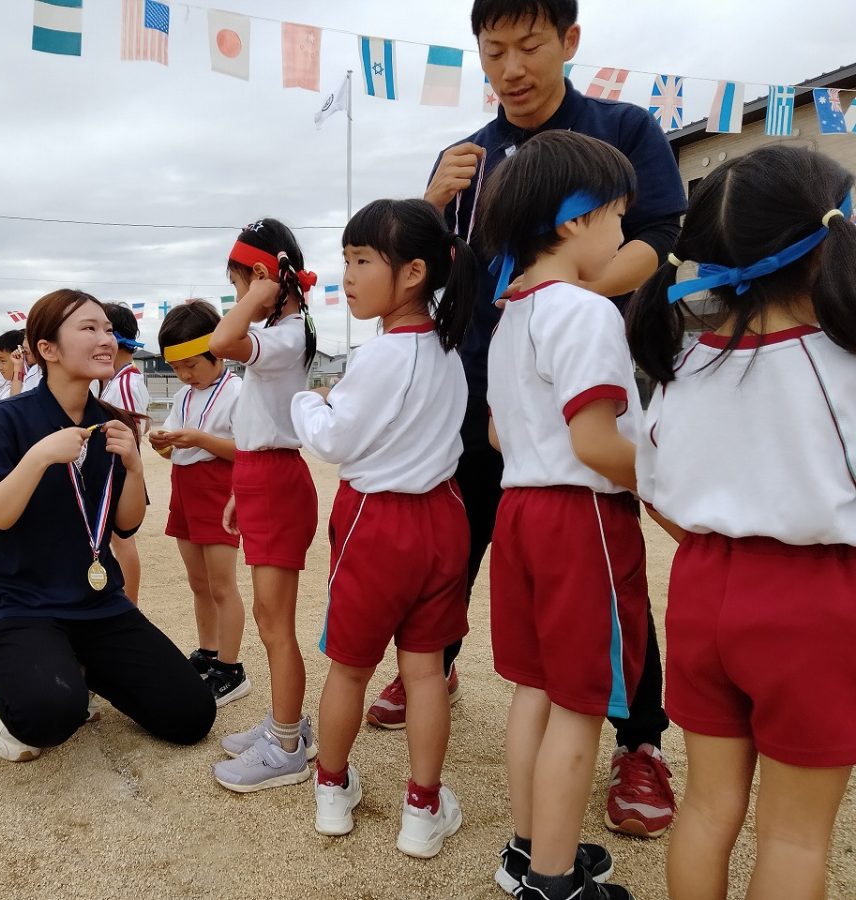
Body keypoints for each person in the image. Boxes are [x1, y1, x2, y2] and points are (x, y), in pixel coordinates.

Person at [366, 0, 686, 842]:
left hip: (578, 374)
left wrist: (574, 296)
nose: (510, 67)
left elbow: (659, 232)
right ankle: (432, 666)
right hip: (488, 386)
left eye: (529, 45)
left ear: (569, 41)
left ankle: (640, 739)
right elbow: (431, 275)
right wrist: (429, 205)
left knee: (608, 576)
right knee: (459, 541)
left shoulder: (620, 131)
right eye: (493, 49)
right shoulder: (466, 158)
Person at [627, 146, 856, 900]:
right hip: (814, 603)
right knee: (793, 836)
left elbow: (656, 488)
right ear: (826, 243)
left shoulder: (684, 366)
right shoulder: (843, 366)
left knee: (706, 807)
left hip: (704, 588)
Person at [464, 131, 644, 900]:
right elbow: (595, 441)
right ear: (575, 220)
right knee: (579, 700)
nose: (624, 237)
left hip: (521, 511)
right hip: (580, 519)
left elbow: (499, 433)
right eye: (618, 218)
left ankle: (530, 847)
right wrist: (668, 477)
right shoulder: (585, 311)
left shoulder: (514, 316)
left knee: (536, 689)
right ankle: (553, 881)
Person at [291, 199, 476, 856]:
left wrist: (306, 401)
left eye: (362, 260)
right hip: (443, 516)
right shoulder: (449, 351)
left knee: (350, 669)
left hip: (377, 522)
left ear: (413, 273)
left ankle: (332, 790)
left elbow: (334, 441)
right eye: (346, 259)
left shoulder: (380, 356)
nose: (348, 275)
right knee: (425, 672)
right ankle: (422, 810)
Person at [0, 288, 215, 761]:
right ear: (48, 349)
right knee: (51, 714)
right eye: (89, 328)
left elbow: (126, 525)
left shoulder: (112, 423)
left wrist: (134, 468)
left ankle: (81, 669)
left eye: (108, 329)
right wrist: (38, 458)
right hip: (22, 607)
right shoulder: (5, 419)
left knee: (191, 715)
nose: (106, 339)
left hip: (99, 606)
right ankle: (30, 697)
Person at [208, 219, 320, 792]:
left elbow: (220, 342)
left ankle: (287, 744)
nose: (238, 300)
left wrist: (256, 292)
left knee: (275, 622)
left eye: (238, 284)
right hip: (261, 476)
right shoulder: (281, 331)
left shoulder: (286, 334)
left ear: (259, 276)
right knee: (268, 617)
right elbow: (260, 420)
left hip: (274, 480)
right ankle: (285, 722)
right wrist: (239, 490)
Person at [150, 301, 248, 706]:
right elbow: (173, 450)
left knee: (222, 585)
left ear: (217, 351)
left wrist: (200, 440)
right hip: (185, 489)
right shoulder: (184, 396)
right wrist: (160, 443)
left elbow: (247, 451)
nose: (184, 375)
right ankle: (209, 652)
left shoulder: (238, 392)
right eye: (176, 368)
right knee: (198, 583)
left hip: (217, 491)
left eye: (190, 365)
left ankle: (231, 668)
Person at [100, 303, 150, 605]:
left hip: (119, 471)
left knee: (123, 540)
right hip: (113, 469)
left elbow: (133, 432)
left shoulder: (128, 381)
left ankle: (129, 604)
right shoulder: (116, 379)